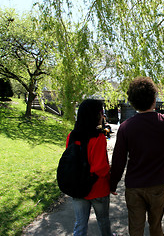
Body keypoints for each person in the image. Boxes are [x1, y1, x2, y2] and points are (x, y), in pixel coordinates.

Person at [110, 77, 164, 236]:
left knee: (135, 228)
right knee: (156, 226)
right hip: (157, 186)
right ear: (154, 99)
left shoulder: (126, 127)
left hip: (134, 187)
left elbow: (119, 160)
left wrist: (113, 183)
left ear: (132, 102)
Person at [66, 99, 113, 236]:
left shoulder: (72, 136)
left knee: (80, 223)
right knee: (103, 220)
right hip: (98, 188)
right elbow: (101, 169)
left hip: (78, 188)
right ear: (94, 115)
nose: (103, 116)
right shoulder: (98, 138)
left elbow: (71, 161)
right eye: (101, 112)